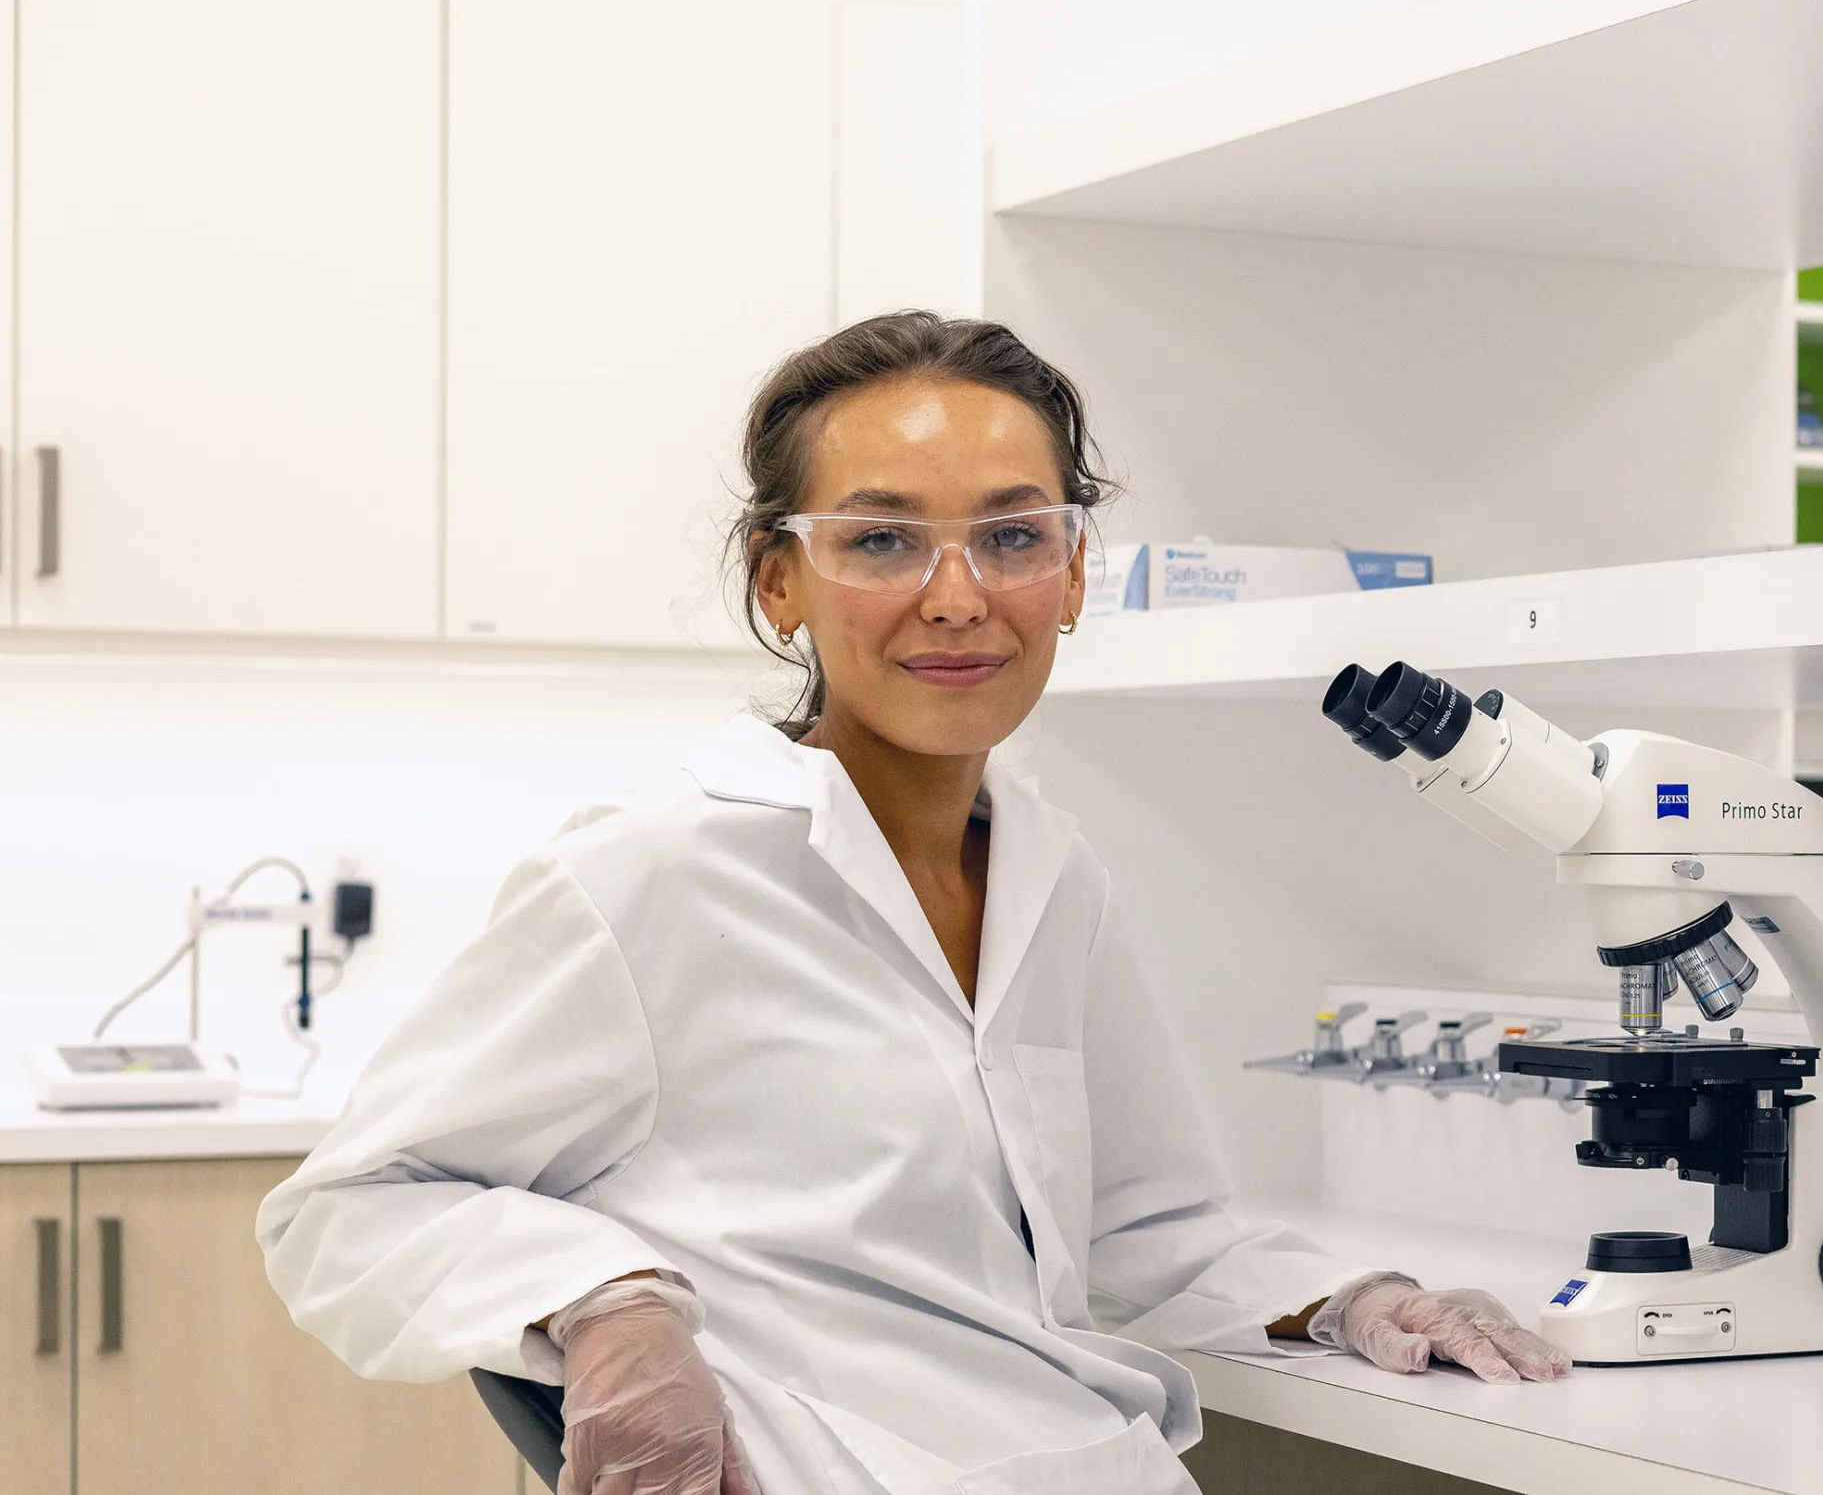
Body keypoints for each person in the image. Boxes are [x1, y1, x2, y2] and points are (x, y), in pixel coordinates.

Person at [257, 312, 1567, 1495]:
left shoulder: (1055, 877)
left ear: (1070, 574)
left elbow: (1146, 1233)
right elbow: (350, 1208)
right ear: (779, 580)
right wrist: (610, 1303)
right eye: (881, 539)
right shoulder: (657, 873)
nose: (958, 597)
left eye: (1012, 537)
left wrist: (1365, 1298)